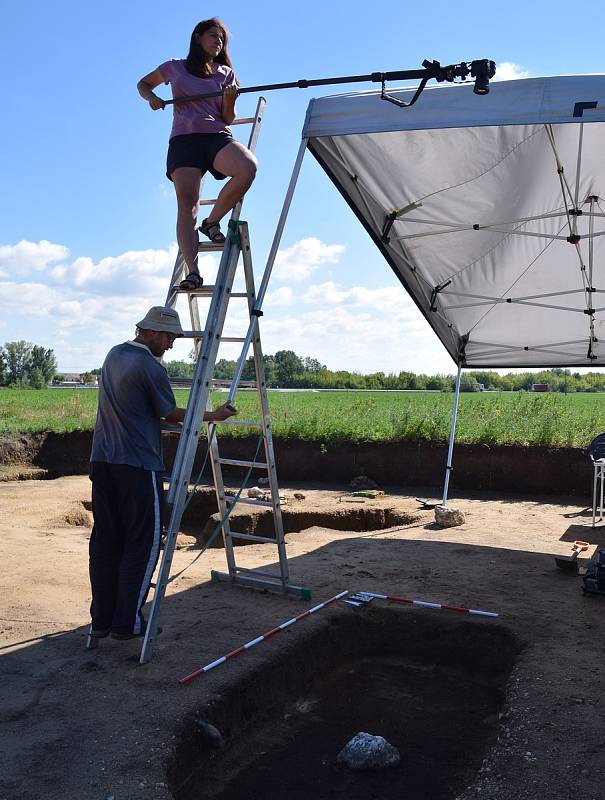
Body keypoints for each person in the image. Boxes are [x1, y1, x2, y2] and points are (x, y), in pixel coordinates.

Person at [88, 306, 236, 640]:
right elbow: (170, 414)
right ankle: (127, 624)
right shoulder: (149, 367)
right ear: (152, 331)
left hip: (102, 461)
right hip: (137, 466)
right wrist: (214, 415)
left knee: (106, 542)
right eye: (168, 336)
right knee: (144, 544)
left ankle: (101, 622)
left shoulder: (114, 355)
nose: (170, 344)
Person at [137, 18, 258, 291]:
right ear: (198, 37)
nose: (219, 42)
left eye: (222, 39)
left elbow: (227, 117)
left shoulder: (226, 74)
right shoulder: (175, 67)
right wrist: (152, 98)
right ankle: (193, 272)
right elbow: (143, 84)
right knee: (187, 206)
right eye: (214, 36)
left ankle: (212, 221)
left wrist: (230, 99)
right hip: (184, 140)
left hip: (215, 136)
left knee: (247, 167)